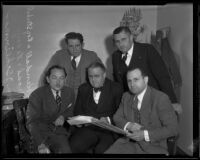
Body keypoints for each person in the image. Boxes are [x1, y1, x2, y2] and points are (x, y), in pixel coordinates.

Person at [105, 67, 178, 154]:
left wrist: (144, 135)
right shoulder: (126, 96)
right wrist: (129, 125)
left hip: (153, 147)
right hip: (127, 143)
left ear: (145, 79)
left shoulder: (160, 98)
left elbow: (173, 129)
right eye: (129, 81)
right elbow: (117, 117)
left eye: (136, 80)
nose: (132, 84)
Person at [112, 26, 181, 112]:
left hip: (152, 102)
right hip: (131, 105)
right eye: (117, 41)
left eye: (123, 39)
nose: (121, 44)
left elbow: (163, 77)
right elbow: (119, 84)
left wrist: (172, 101)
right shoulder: (115, 56)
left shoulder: (147, 50)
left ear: (131, 37)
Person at [69, 62, 123, 153]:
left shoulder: (116, 88)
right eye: (90, 76)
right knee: (72, 147)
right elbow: (77, 111)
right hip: (88, 129)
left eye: (97, 76)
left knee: (101, 151)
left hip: (108, 131)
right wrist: (78, 122)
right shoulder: (83, 88)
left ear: (104, 75)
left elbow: (121, 113)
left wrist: (108, 120)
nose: (93, 80)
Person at [26, 65, 75, 153]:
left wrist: (63, 117)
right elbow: (31, 122)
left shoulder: (69, 92)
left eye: (61, 78)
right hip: (39, 133)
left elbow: (70, 110)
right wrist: (40, 144)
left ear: (65, 79)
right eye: (54, 78)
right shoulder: (37, 95)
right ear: (48, 79)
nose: (58, 82)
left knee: (66, 151)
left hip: (58, 132)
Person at [40, 32, 101, 98]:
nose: (74, 49)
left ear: (82, 45)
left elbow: (102, 76)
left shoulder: (92, 56)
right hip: (63, 97)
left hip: (86, 97)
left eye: (77, 45)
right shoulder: (59, 55)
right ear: (67, 46)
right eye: (71, 46)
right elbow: (46, 75)